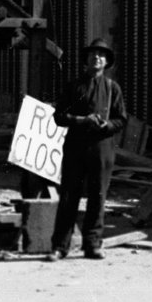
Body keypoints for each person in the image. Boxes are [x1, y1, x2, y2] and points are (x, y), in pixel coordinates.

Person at [50, 39, 127, 260]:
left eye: (101, 55)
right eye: (93, 54)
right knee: (69, 196)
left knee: (98, 197)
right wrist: (83, 120)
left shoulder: (112, 88)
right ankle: (60, 246)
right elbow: (59, 116)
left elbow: (121, 119)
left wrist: (107, 125)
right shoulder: (74, 87)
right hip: (76, 146)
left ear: (106, 61)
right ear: (86, 59)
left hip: (102, 149)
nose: (97, 58)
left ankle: (92, 245)